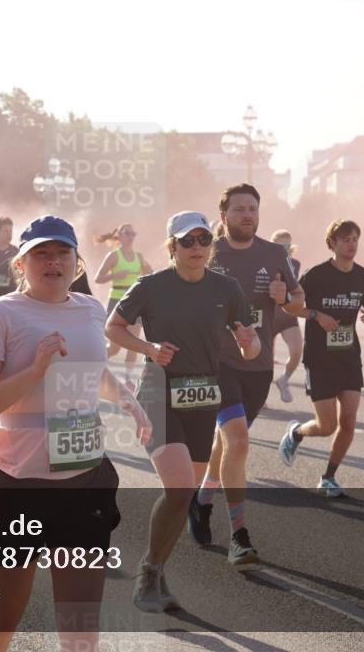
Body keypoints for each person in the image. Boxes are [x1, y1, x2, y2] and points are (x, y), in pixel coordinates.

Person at [0, 215, 150, 652]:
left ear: (77, 262)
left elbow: (94, 369)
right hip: (15, 483)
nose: (53, 261)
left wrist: (128, 400)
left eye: (62, 252)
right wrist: (34, 371)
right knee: (6, 612)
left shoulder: (90, 309)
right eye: (40, 253)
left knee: (80, 626)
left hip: (84, 481)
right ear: (21, 264)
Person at [107, 211, 260, 610]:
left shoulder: (226, 288)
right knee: (177, 486)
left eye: (203, 240)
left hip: (203, 393)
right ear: (171, 247)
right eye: (187, 241)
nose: (196, 248)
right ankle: (147, 577)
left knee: (181, 494)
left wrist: (248, 342)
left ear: (212, 244)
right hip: (158, 389)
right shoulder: (151, 286)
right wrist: (149, 350)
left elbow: (252, 343)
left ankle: (154, 569)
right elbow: (114, 327)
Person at [188, 186, 305, 558]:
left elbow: (300, 304)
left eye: (252, 209)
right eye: (239, 209)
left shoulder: (274, 253)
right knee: (238, 441)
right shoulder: (207, 251)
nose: (247, 215)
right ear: (222, 216)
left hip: (257, 364)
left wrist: (284, 298)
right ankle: (240, 535)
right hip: (216, 362)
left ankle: (202, 499)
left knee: (227, 444)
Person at [278, 220, 364, 497]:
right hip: (319, 358)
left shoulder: (363, 276)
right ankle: (297, 433)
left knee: (348, 421)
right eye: (346, 239)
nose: (352, 244)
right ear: (333, 243)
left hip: (349, 357)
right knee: (327, 426)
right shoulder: (316, 275)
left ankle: (328, 477)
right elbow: (292, 307)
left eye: (355, 239)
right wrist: (316, 315)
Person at [93, 224, 153, 389]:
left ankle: (128, 380)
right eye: (127, 233)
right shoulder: (113, 256)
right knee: (114, 349)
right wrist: (116, 275)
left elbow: (149, 274)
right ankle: (93, 365)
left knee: (133, 342)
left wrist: (148, 272)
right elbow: (98, 278)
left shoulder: (138, 256)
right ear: (119, 236)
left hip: (135, 302)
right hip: (116, 301)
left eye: (132, 233)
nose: (131, 236)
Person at [270, 229, 304, 402]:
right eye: (281, 245)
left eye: (287, 245)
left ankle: (284, 380)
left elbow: (297, 289)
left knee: (297, 350)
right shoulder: (264, 261)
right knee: (265, 360)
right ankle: (259, 398)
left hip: (287, 314)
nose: (285, 248)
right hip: (268, 315)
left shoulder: (295, 264)